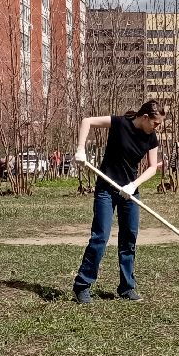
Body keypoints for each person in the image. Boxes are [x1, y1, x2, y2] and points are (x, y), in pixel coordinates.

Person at [71, 101, 165, 304]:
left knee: (128, 239)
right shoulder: (120, 123)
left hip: (129, 193)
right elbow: (87, 121)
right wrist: (81, 150)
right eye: (156, 123)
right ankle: (82, 286)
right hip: (106, 188)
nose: (157, 128)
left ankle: (127, 287)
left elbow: (152, 168)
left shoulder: (151, 138)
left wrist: (133, 185)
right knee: (100, 237)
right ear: (145, 118)